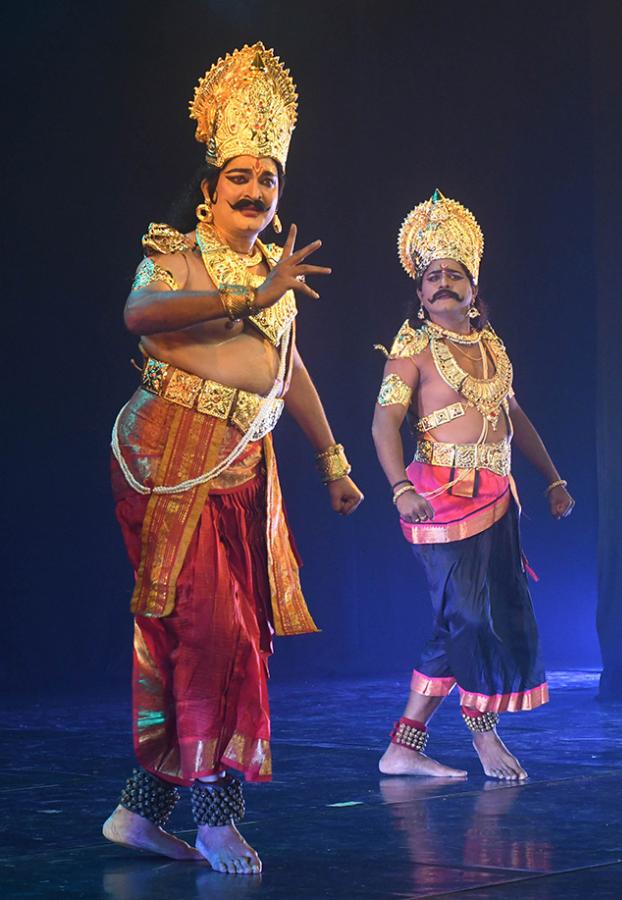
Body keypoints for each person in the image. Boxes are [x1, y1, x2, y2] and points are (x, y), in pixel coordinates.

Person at [102, 42, 363, 875]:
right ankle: (215, 818)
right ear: (210, 186)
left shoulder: (277, 274)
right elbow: (139, 312)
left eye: (270, 180)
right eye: (240, 177)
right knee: (214, 635)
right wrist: (249, 295)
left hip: (245, 475)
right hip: (168, 463)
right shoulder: (176, 253)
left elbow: (290, 371)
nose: (255, 192)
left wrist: (333, 458)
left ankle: (138, 812)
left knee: (216, 636)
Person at [372, 189, 574, 782]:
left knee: (460, 620)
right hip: (437, 498)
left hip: (498, 497)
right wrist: (396, 488)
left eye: (452, 274)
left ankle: (404, 746)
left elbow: (517, 418)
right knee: (470, 617)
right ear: (419, 293)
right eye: (430, 275)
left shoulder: (492, 348)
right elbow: (383, 421)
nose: (441, 283)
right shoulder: (411, 349)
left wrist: (553, 479)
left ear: (472, 287)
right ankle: (483, 733)